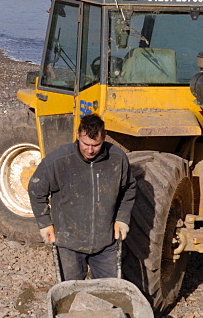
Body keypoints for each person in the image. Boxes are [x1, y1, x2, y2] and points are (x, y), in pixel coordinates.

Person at [27, 113, 136, 281]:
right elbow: (36, 189)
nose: (90, 150)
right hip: (68, 243)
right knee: (71, 292)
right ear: (78, 135)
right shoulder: (59, 161)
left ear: (104, 137)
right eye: (85, 144)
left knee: (109, 291)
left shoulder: (116, 159)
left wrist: (122, 218)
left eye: (96, 145)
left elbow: (129, 188)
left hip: (105, 243)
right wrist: (45, 223)